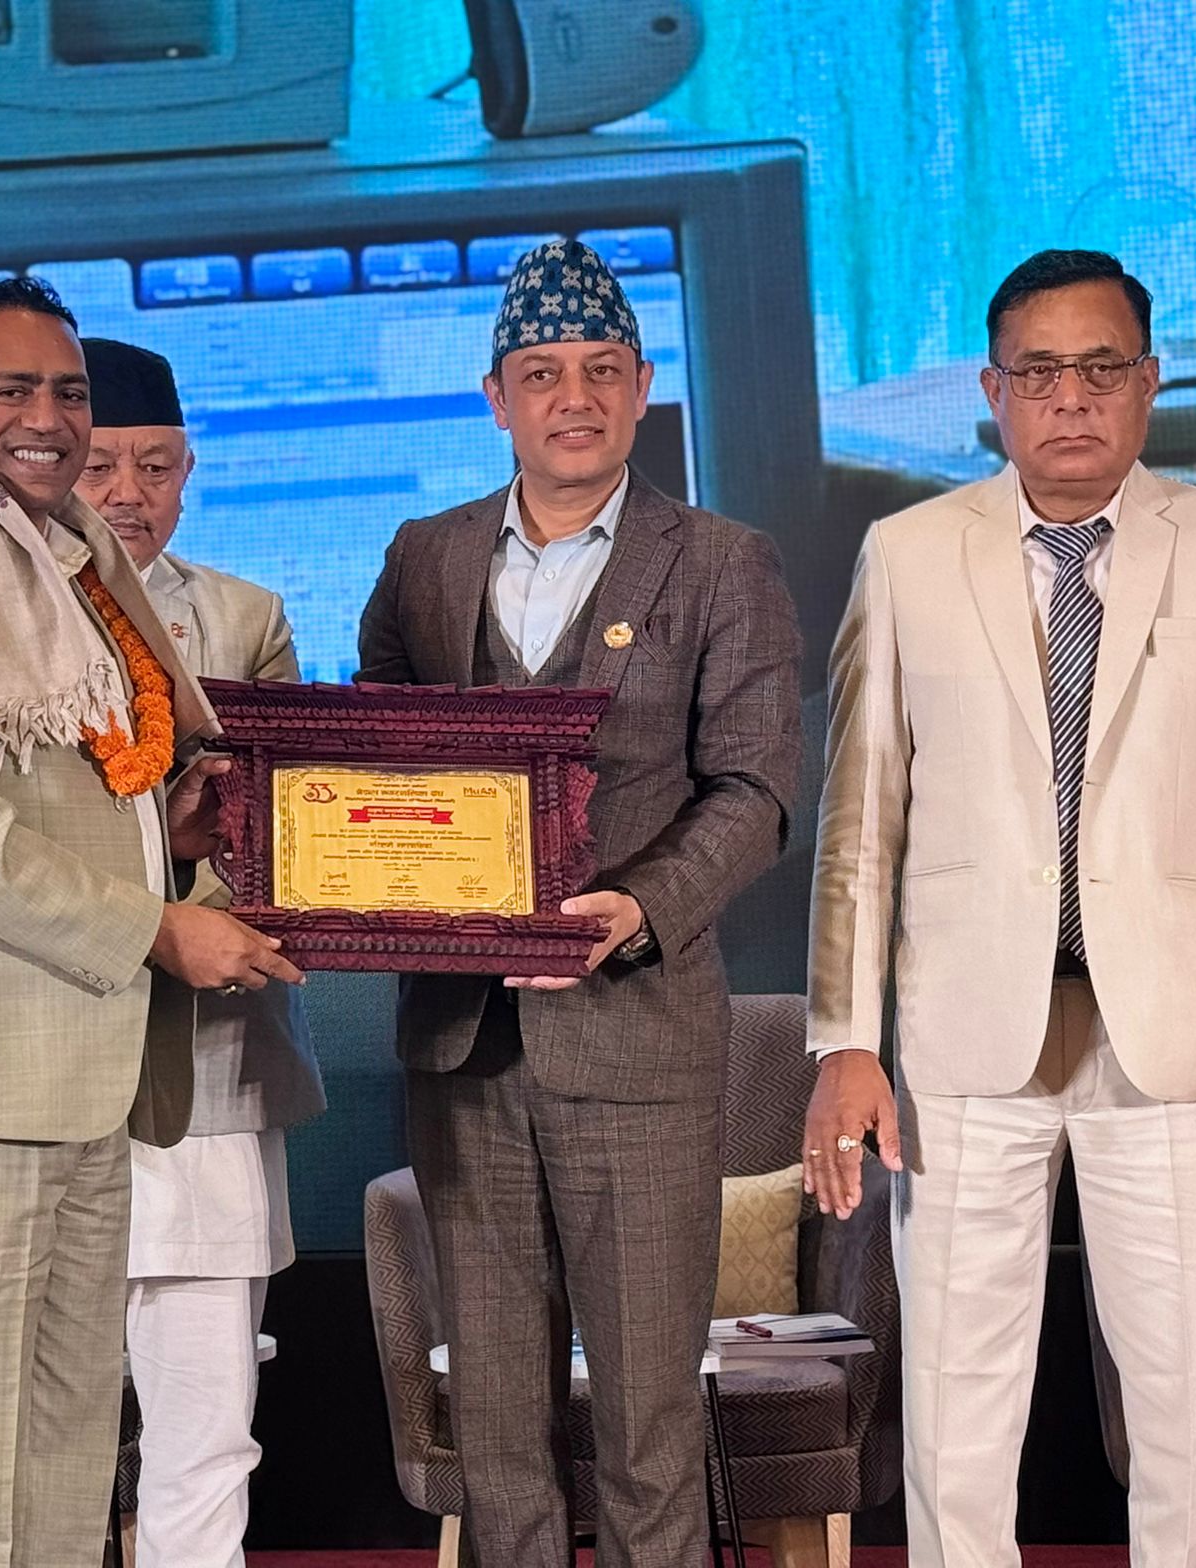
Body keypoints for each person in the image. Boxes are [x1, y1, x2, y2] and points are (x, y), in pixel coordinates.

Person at [804, 248, 1196, 1567]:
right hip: (963, 1039)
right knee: (954, 1402)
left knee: (1191, 1393)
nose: (1072, 397)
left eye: (1102, 368)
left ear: (1150, 383)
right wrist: (844, 1039)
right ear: (992, 390)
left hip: (1163, 1032)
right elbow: (857, 826)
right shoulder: (907, 555)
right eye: (1041, 371)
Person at [0, 277, 302, 1568]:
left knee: (72, 1459)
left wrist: (174, 840)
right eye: (13, 389)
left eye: (68, 392)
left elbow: (79, 793)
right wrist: (158, 926)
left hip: (90, 1073)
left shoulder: (72, 566)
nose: (49, 417)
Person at [357, 237, 802, 1567]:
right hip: (463, 1048)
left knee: (648, 1422)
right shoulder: (425, 556)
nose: (575, 396)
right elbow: (374, 767)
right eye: (543, 371)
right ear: (496, 397)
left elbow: (756, 789)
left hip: (638, 1039)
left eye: (604, 368)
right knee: (497, 1427)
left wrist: (634, 909)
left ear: (645, 387)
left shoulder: (721, 560)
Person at [76, 336, 326, 1568]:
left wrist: (190, 895)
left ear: (189, 471)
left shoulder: (241, 615)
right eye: (102, 465)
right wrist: (138, 907)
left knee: (206, 1415)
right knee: (42, 1428)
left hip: (211, 1059)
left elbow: (277, 836)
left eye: (157, 465)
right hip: (48, 1053)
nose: (128, 492)